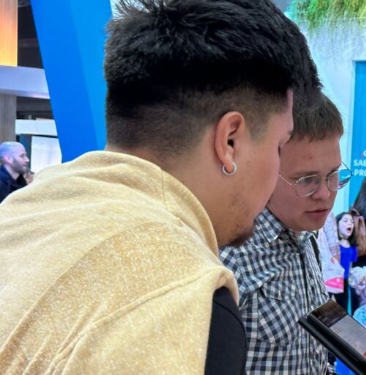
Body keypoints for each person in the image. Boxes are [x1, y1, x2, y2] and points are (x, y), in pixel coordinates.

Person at [0, 0, 321, 373]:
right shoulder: (190, 307)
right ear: (230, 140)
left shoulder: (20, 216)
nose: (277, 167)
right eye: (279, 146)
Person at [219, 94, 349, 373]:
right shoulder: (229, 255)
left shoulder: (306, 238)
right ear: (265, 167)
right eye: (307, 180)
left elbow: (309, 359)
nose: (326, 194)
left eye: (334, 174)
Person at [334, 210, 360, 312]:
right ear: (337, 224)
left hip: (344, 283)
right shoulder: (333, 244)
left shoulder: (352, 246)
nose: (350, 223)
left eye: (351, 222)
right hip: (332, 280)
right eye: (345, 221)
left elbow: (350, 266)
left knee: (342, 310)